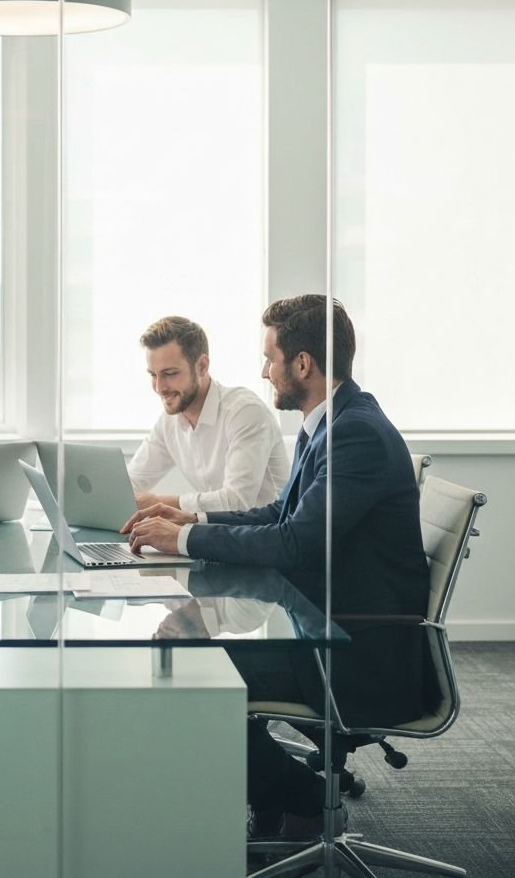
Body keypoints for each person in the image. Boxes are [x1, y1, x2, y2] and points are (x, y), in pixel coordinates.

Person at [124, 295, 429, 835]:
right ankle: (275, 808)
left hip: (356, 649)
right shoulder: (331, 424)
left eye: (270, 358)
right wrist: (186, 522)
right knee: (187, 660)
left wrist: (189, 537)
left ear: (303, 363)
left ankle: (303, 799)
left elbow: (294, 544)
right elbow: (278, 513)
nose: (265, 371)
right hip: (327, 620)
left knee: (188, 676)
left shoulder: (353, 433)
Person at [127, 315, 290, 514]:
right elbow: (130, 483)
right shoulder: (169, 422)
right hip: (222, 534)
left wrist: (158, 504)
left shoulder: (245, 412)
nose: (159, 387)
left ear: (202, 366)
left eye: (170, 374)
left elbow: (237, 501)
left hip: (268, 534)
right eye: (153, 375)